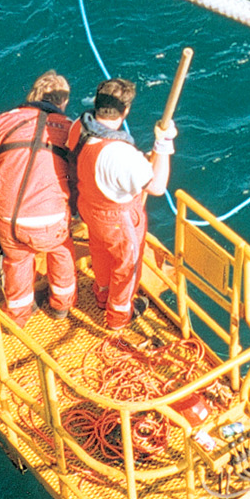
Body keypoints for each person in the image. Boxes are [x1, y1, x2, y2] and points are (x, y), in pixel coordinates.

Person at [0, 71, 79, 324]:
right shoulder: (69, 129)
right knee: (61, 250)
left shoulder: (2, 121)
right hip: (51, 223)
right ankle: (61, 306)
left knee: (16, 261)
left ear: (32, 95)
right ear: (62, 103)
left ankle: (18, 316)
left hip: (8, 221)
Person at [67, 78, 175, 331]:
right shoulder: (119, 154)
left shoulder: (77, 127)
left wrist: (139, 163)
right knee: (126, 267)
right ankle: (118, 318)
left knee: (100, 251)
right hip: (117, 220)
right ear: (125, 111)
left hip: (88, 206)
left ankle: (102, 295)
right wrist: (164, 143)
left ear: (96, 103)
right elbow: (157, 186)